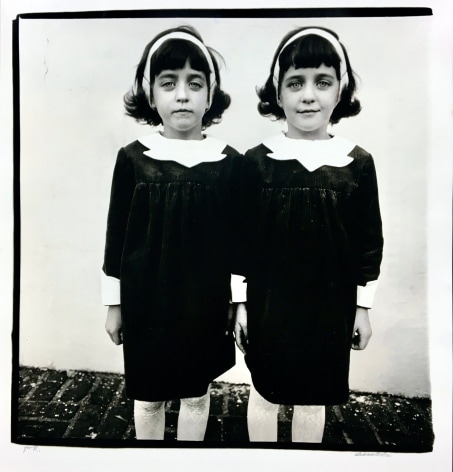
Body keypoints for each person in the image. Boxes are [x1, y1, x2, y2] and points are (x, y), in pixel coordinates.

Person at [234, 26, 384, 443]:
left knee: (312, 397)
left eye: (323, 82)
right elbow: (239, 242)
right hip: (269, 305)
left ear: (341, 91)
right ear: (277, 93)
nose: (308, 95)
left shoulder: (356, 164)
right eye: (295, 82)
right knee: (265, 393)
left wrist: (362, 307)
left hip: (329, 306)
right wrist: (240, 305)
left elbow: (368, 243)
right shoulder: (258, 162)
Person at [101, 25, 243, 441]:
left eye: (194, 83)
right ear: (151, 94)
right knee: (149, 397)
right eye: (169, 83)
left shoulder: (227, 161)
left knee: (196, 393)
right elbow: (116, 236)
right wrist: (115, 304)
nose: (182, 94)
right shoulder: (134, 159)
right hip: (148, 301)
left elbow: (239, 242)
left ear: (209, 95)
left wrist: (239, 303)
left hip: (203, 303)